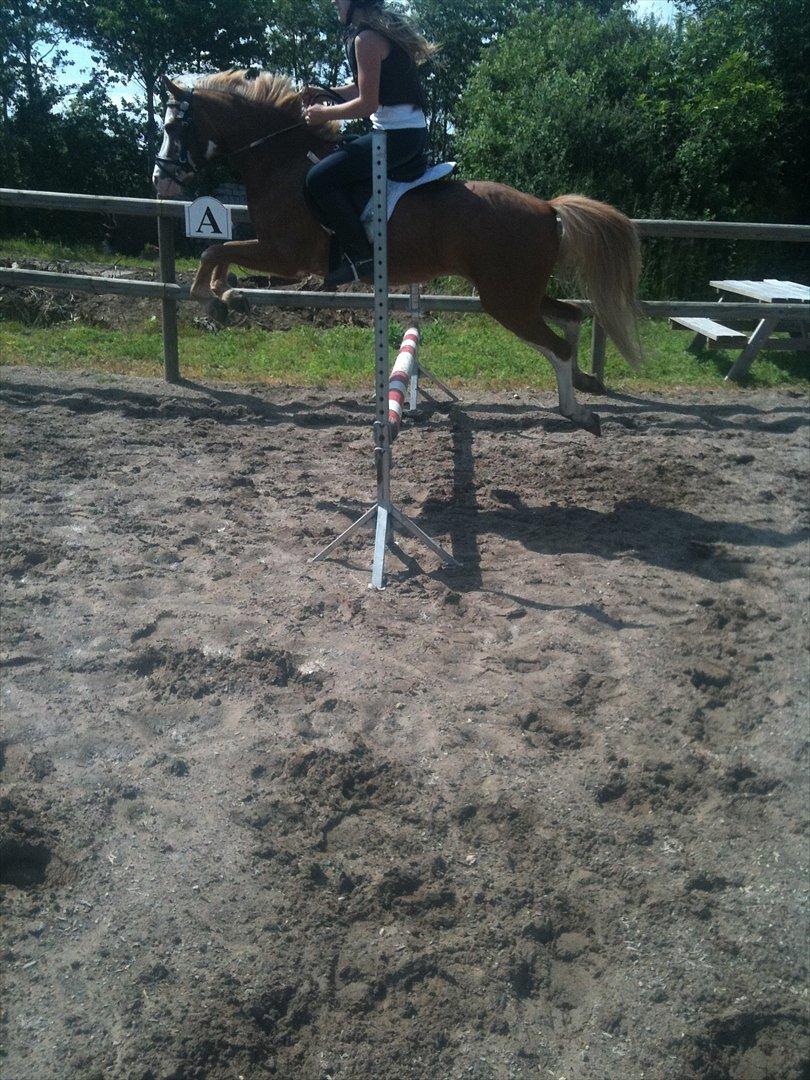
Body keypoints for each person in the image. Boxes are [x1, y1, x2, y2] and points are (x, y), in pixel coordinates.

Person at [302, 0, 436, 287]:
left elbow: (367, 103)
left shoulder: (366, 38)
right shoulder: (376, 34)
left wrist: (323, 113)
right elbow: (361, 87)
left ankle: (362, 257)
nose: (334, 3)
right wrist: (324, 92)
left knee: (318, 179)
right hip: (405, 134)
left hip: (395, 137)